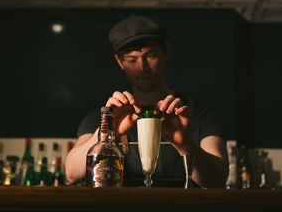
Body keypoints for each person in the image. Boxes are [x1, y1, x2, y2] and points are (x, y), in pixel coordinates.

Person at [65, 15, 229, 188]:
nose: (142, 67)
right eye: (132, 59)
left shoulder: (202, 116)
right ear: (119, 62)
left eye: (150, 56)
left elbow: (217, 180)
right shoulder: (103, 118)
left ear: (166, 51)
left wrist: (184, 143)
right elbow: (72, 174)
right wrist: (107, 132)